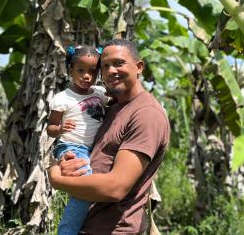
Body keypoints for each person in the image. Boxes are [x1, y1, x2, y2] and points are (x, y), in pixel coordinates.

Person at [49, 39, 170, 234]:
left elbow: (115, 188)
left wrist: (55, 179)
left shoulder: (146, 114)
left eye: (119, 63)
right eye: (104, 66)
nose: (111, 71)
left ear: (139, 67)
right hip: (88, 226)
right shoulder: (111, 106)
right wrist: (64, 162)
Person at [46, 45, 110, 235]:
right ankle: (66, 231)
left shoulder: (99, 93)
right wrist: (60, 129)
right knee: (86, 183)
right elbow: (50, 128)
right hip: (71, 146)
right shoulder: (63, 98)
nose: (86, 76)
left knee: (89, 188)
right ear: (70, 70)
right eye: (80, 70)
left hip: (93, 148)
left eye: (92, 71)